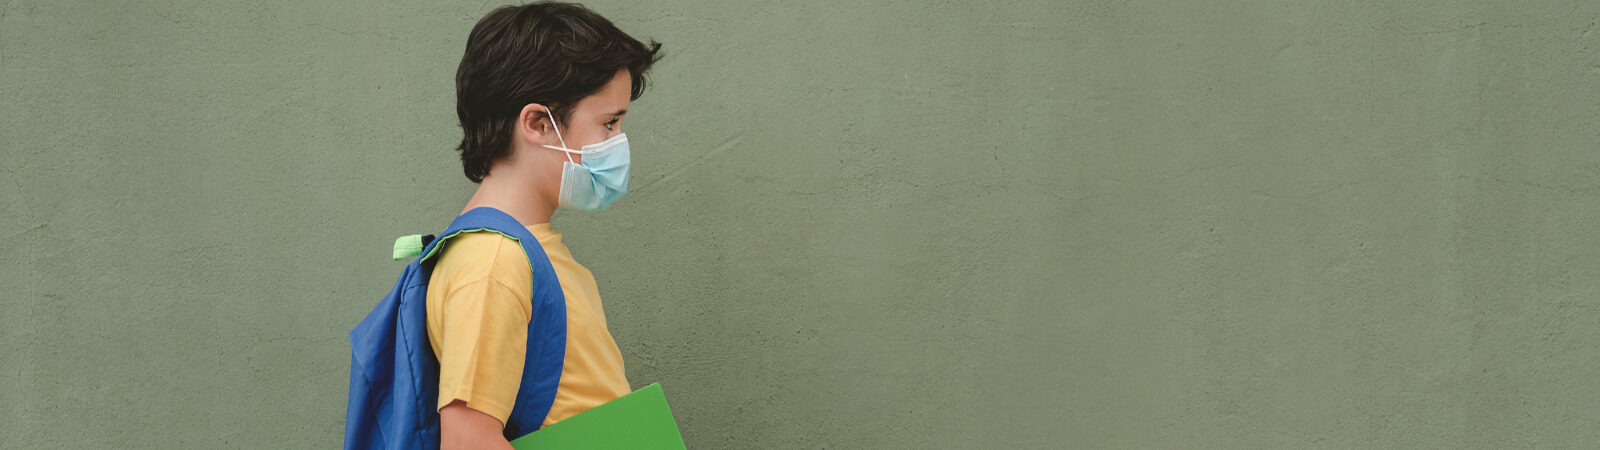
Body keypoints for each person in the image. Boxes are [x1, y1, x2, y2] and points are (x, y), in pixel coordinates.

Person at [429, 3, 661, 448]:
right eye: (609, 123)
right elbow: (467, 441)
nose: (618, 143)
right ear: (537, 123)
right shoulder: (493, 262)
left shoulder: (523, 250)